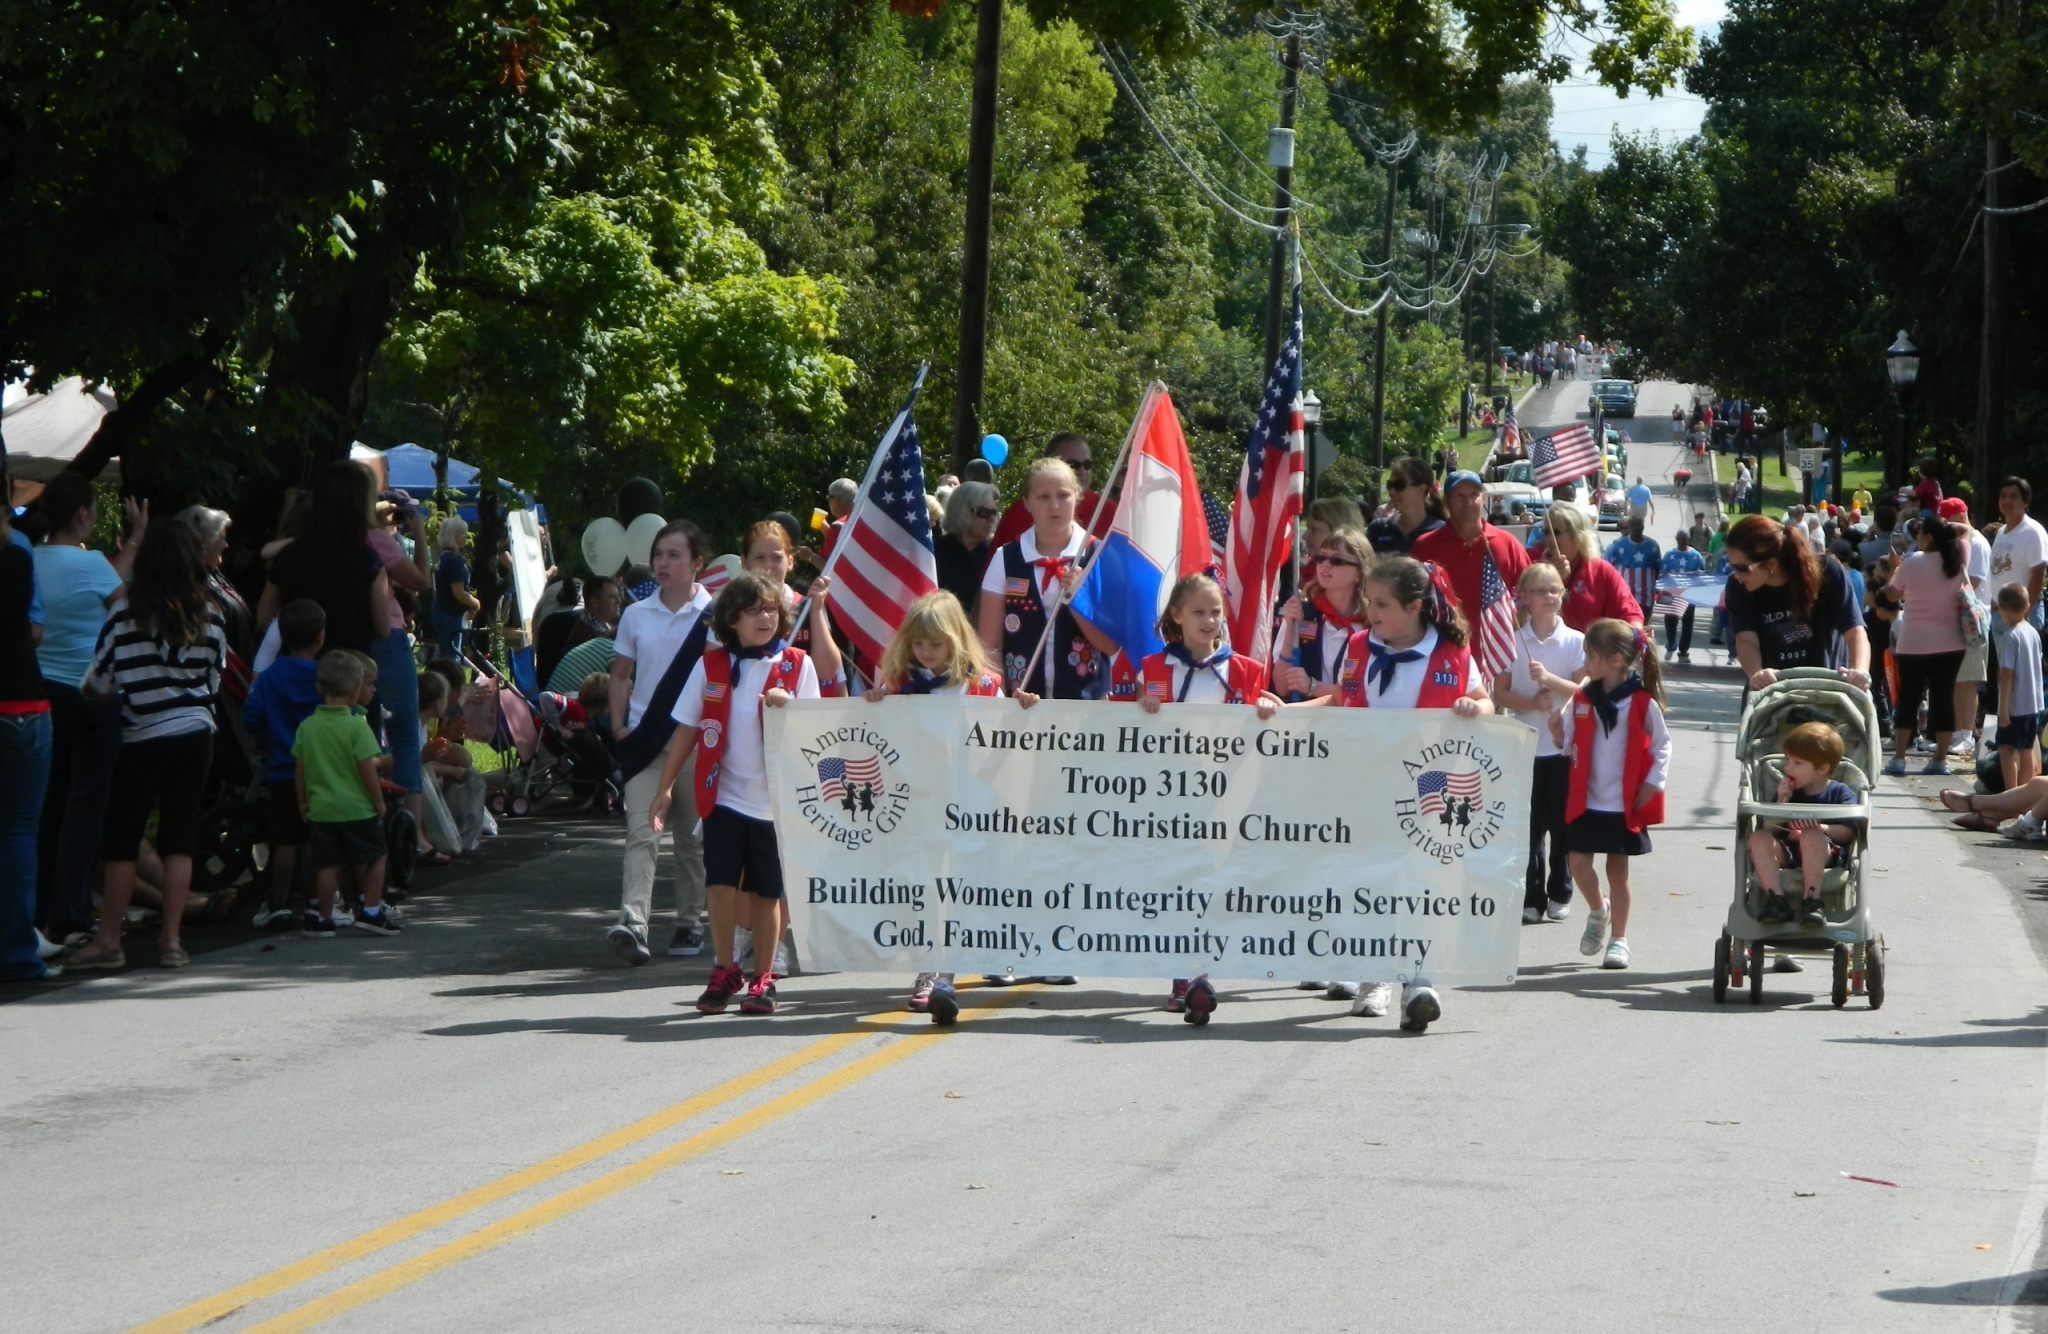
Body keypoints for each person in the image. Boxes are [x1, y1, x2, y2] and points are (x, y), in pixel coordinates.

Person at [1293, 555, 1492, 1032]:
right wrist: (1287, 713)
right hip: (1366, 784)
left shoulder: (1453, 655)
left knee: (1422, 883)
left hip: (1431, 790)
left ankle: (1420, 980)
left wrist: (1474, 706)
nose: (1372, 611)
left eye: (1381, 604)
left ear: (1415, 607)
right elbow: (1341, 700)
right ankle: (1374, 972)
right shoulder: (1360, 647)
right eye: (1369, 601)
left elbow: (1486, 701)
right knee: (1370, 882)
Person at [1108, 573, 1282, 1023]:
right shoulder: (1153, 667)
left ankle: (1202, 966)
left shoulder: (1245, 670)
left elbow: (1263, 730)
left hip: (1227, 798)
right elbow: (1127, 733)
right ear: (1176, 617)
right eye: (1199, 612)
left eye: (1216, 612)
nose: (1209, 620)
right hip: (1171, 800)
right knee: (1178, 882)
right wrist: (1143, 708)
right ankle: (1186, 972)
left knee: (1214, 883)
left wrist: (1266, 708)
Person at [648, 573, 822, 1016]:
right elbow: (687, 727)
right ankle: (725, 967)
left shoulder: (797, 664)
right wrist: (665, 787)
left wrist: (791, 710)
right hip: (722, 795)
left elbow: (819, 734)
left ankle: (763, 976)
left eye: (770, 610)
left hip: (775, 801)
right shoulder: (712, 666)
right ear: (732, 620)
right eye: (754, 611)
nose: (765, 618)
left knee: (767, 892)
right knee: (721, 884)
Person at [63, 522, 226, 972]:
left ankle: (109, 941)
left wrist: (97, 693)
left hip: (143, 736)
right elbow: (214, 677)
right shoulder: (210, 613)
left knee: (122, 840)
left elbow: (99, 681)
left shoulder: (127, 614)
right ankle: (171, 941)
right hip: (196, 733)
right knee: (180, 839)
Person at [864, 590, 1006, 1024]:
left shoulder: (983, 684)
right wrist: (874, 708)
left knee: (964, 883)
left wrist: (1023, 712)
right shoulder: (899, 684)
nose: (926, 652)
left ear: (956, 640)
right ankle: (930, 966)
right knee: (924, 884)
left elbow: (1003, 743)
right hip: (918, 803)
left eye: (935, 643)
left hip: (969, 800)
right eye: (919, 643)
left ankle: (953, 965)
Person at [28, 474, 143, 943]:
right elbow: (125, 605)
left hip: (43, 691)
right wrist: (137, 537)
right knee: (87, 804)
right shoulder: (91, 564)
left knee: (48, 803)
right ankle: (72, 914)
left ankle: (35, 911)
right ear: (82, 514)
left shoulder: (27, 560)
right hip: (92, 694)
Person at [608, 519, 715, 963]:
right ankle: (634, 924)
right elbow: (619, 675)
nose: (663, 563)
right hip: (645, 742)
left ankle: (690, 923)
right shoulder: (635, 613)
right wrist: (618, 727)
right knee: (642, 835)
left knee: (692, 841)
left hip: (693, 743)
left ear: (697, 563)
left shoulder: (715, 615)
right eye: (658, 555)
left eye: (674, 555)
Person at [1551, 619, 1669, 971]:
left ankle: (1619, 940)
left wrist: (1653, 781)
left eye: (1591, 656)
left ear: (1616, 660)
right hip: (1586, 799)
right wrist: (1558, 734)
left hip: (1623, 801)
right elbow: (1569, 746)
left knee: (1618, 871)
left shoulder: (1641, 701)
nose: (1585, 663)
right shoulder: (1583, 698)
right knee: (1577, 863)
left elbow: (1662, 746)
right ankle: (1598, 911)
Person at [1493, 562, 1586, 926]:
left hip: (1564, 748)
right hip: (1525, 746)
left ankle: (1560, 891)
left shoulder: (1575, 641)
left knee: (1562, 823)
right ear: (1525, 599)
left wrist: (1549, 680)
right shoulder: (1513, 642)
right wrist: (1531, 702)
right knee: (1529, 827)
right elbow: (1499, 692)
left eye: (1555, 590)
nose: (1549, 597)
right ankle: (1531, 896)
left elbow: (1584, 691)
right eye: (1540, 591)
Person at [980, 457, 1118, 701]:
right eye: (1043, 497)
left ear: (1077, 498)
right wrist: (998, 701)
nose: (1054, 505)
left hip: (1087, 707)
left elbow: (1110, 645)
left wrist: (1079, 600)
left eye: (1063, 495)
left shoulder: (1099, 556)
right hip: (1021, 704)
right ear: (1027, 503)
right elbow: (989, 648)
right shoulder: (1006, 558)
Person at [293, 651, 397, 937]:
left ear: (319, 689)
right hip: (357, 807)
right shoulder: (356, 727)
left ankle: (323, 918)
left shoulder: (306, 728)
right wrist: (378, 800)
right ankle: (371, 910)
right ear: (355, 691)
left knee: (327, 863)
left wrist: (303, 801)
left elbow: (300, 768)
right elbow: (367, 769)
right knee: (377, 855)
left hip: (322, 809)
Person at [242, 599, 326, 930]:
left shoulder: (271, 676)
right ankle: (319, 901)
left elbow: (251, 717)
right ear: (320, 637)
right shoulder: (324, 676)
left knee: (286, 840)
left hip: (282, 768)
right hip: (320, 769)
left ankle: (278, 902)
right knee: (317, 837)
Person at [1, 497, 56, 980]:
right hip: (20, 700)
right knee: (18, 832)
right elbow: (29, 629)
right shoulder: (16, 552)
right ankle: (18, 952)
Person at [258, 461, 392, 660]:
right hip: (348, 672)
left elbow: (263, 620)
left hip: (295, 669)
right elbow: (383, 629)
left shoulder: (289, 556)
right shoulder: (370, 562)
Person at [1723, 515, 1871, 691]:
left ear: (1770, 563)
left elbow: (1854, 631)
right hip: (1773, 692)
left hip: (1828, 690)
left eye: (1742, 568)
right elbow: (1745, 639)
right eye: (1732, 567)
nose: (1737, 575)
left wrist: (1860, 671)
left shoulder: (1828, 571)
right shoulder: (1737, 586)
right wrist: (1757, 673)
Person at [1746, 721, 1858, 930]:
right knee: (1759, 837)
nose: (1787, 768)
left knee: (1811, 835)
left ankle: (1811, 902)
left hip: (1824, 852)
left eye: (1797, 763)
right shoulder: (1788, 791)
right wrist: (1781, 803)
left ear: (1822, 768)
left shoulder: (1840, 793)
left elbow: (1849, 832)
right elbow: (1771, 830)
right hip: (1788, 850)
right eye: (1788, 760)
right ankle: (1776, 900)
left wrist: (1820, 828)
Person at [1884, 514, 1970, 776]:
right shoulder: (1956, 562)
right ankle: (1940, 759)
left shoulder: (1912, 563)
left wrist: (1894, 569)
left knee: (1908, 699)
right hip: (1951, 641)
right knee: (1944, 700)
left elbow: (1891, 594)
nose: (1916, 539)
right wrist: (1948, 527)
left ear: (1928, 537)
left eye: (1920, 534)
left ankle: (1899, 757)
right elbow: (1964, 531)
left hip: (1914, 641)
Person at [1410, 471, 1531, 655]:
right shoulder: (1425, 546)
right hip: (1443, 653)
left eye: (1474, 495)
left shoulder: (1507, 543)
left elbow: (1530, 591)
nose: (1468, 502)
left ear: (1482, 498)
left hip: (1499, 656)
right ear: (1446, 501)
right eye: (1459, 496)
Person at [743, 519, 845, 694]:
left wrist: (815, 612)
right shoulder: (734, 609)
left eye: (777, 558)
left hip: (803, 712)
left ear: (790, 562)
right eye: (760, 558)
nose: (769, 566)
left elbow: (828, 672)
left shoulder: (808, 606)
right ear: (744, 563)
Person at [1274, 527, 1372, 705]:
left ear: (1359, 573)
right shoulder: (1302, 612)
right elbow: (1282, 687)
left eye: (1337, 560)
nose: (1325, 564)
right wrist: (1289, 628)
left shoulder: (1372, 621)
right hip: (1305, 726)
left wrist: (1313, 686)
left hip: (1352, 724)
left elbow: (1368, 693)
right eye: (1320, 558)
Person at [991, 432, 1115, 549]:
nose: (1082, 472)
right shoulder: (1016, 515)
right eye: (1073, 465)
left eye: (1087, 465)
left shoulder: (1111, 514)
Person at [1939, 498, 1993, 761]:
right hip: (1955, 617)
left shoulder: (1978, 544)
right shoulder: (1955, 544)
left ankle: (1965, 735)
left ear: (1961, 517)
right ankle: (1958, 731)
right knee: (1955, 679)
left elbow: (1975, 580)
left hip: (1972, 619)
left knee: (1967, 680)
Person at [1541, 503, 1641, 632]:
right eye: (1546, 531)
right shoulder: (1536, 567)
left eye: (1555, 532)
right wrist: (1549, 578)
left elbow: (1629, 614)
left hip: (1590, 650)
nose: (1549, 538)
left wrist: (1637, 637)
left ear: (1577, 534)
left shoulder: (1601, 570)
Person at [1995, 584, 2043, 790]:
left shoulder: (2009, 637)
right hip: (2033, 703)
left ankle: (2010, 794)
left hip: (2015, 705)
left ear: (2001, 608)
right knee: (2026, 750)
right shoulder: (2033, 632)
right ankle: (2024, 798)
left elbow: (2007, 673)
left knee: (2006, 749)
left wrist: (2003, 708)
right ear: (2027, 606)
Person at [935, 480, 999, 615]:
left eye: (993, 512)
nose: (991, 519)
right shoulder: (935, 551)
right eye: (984, 512)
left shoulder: (997, 556)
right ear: (961, 510)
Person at [1990, 477, 2046, 624]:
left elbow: (2038, 574)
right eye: (2003, 496)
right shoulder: (2002, 531)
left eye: (2013, 496)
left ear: (2025, 502)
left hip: (2023, 615)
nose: (2007, 501)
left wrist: (2025, 611)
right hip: (2000, 614)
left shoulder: (2032, 532)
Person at [1364, 457, 1446, 554]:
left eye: (1399, 485)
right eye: (1390, 485)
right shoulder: (1378, 529)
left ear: (1421, 489)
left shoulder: (1442, 533)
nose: (1392, 492)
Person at [430, 515, 480, 659]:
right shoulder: (453, 560)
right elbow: (458, 592)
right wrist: (475, 603)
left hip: (442, 610)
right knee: (451, 656)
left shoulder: (443, 556)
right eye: (462, 533)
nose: (466, 536)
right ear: (453, 535)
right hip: (450, 613)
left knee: (445, 652)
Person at [1605, 516, 1662, 625]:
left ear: (1643, 526)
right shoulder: (1618, 545)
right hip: (1625, 595)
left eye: (1638, 524)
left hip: (1646, 596)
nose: (1636, 528)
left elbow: (1657, 569)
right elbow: (1609, 569)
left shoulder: (1653, 546)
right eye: (1633, 525)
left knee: (1642, 629)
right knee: (1624, 628)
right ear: (1629, 527)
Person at [1659, 531, 1706, 661]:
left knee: (1687, 623)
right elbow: (1662, 573)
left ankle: (1683, 651)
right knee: (1669, 621)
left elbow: (1702, 574)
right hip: (1670, 593)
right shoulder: (1669, 555)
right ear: (1676, 539)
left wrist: (1698, 575)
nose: (1682, 541)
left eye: (1684, 539)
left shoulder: (1695, 555)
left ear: (1689, 539)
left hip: (1688, 594)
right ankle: (1671, 645)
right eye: (1680, 539)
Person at [818, 477, 859, 564]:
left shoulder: (837, 526)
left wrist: (809, 556)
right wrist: (828, 532)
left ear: (836, 501)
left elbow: (827, 566)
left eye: (829, 497)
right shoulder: (861, 521)